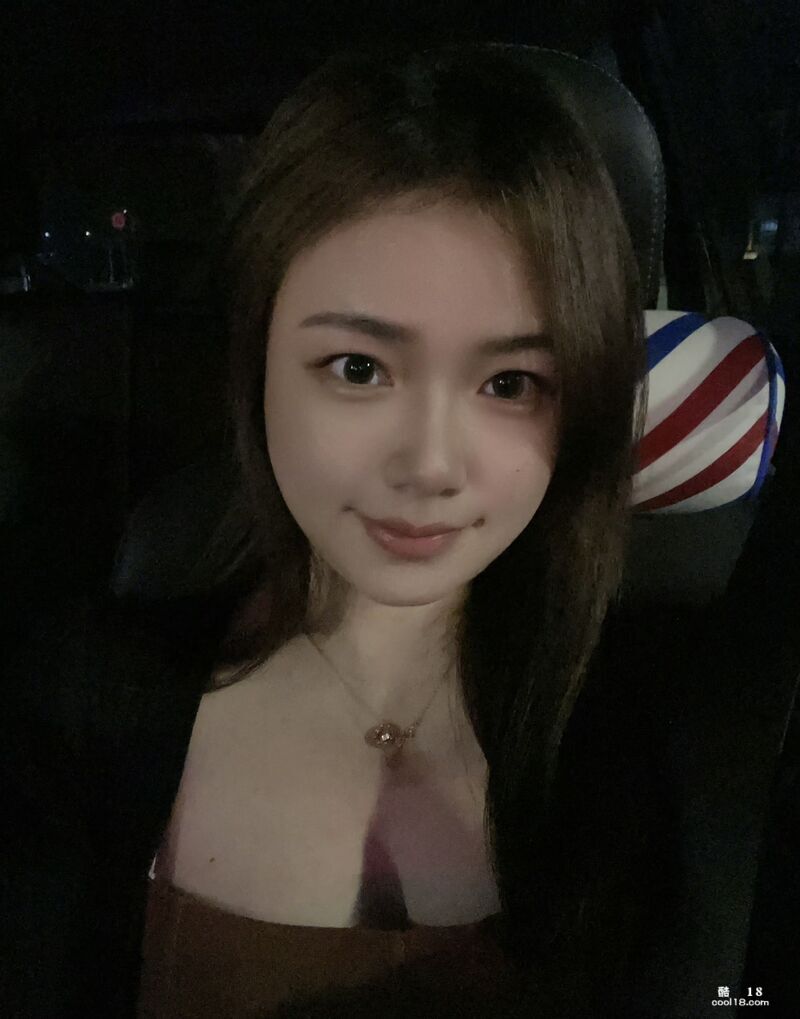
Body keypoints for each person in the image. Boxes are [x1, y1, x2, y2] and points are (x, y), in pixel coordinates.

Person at [5, 42, 733, 1018]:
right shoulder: (79, 705)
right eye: (358, 368)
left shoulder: (666, 743)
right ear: (257, 364)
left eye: (509, 382)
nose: (428, 464)